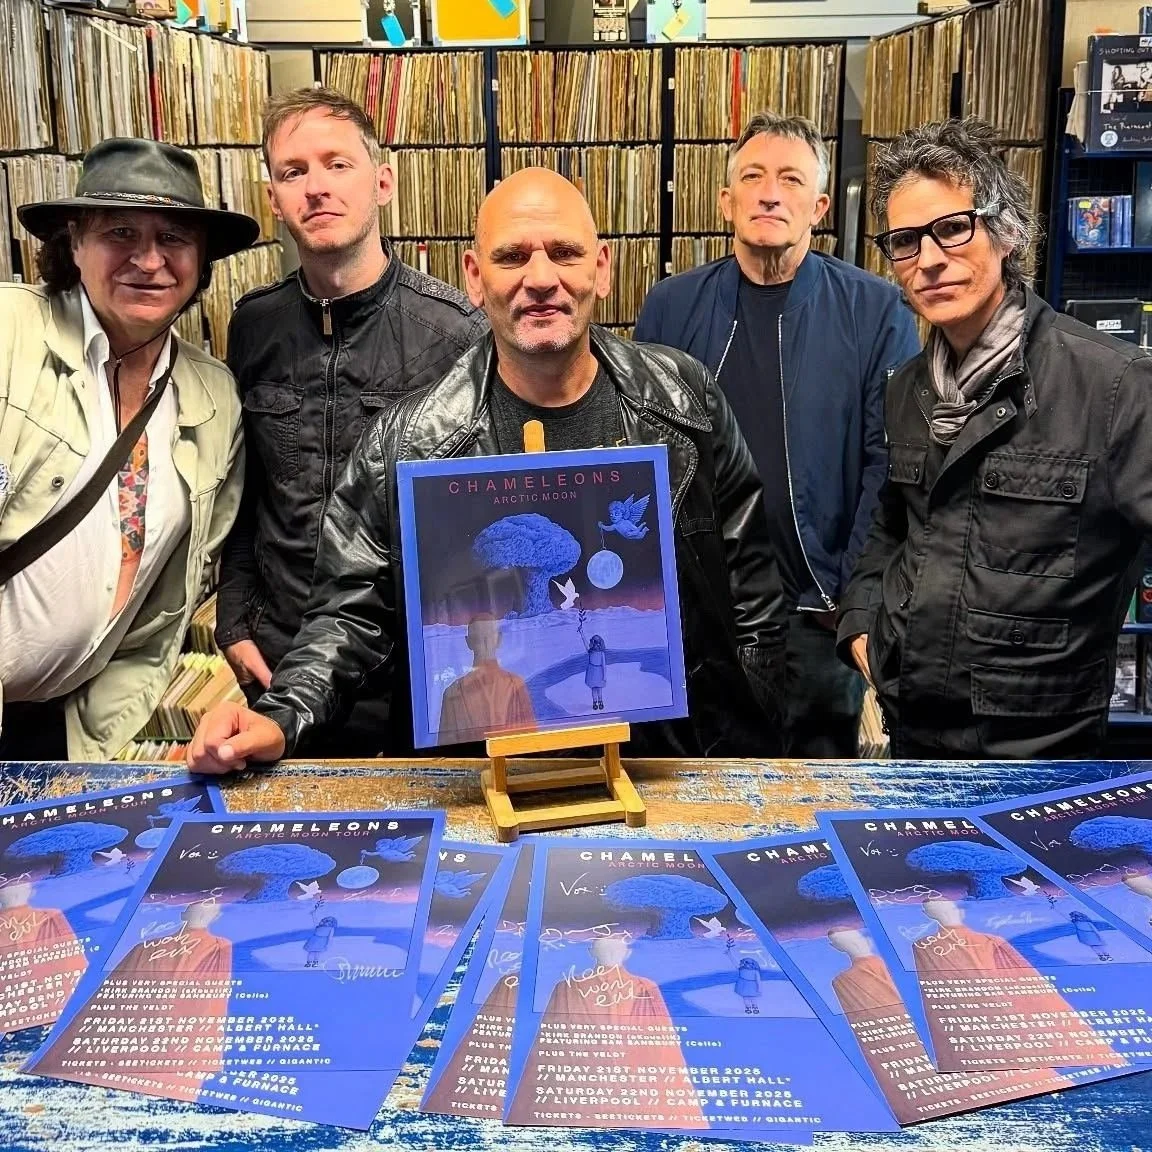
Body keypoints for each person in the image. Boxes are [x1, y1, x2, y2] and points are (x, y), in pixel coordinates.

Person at [186, 167, 787, 772]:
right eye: (513, 256)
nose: (542, 278)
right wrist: (284, 711)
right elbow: (349, 611)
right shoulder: (407, 442)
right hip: (479, 784)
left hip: (660, 774)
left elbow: (750, 588)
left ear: (601, 269)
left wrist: (747, 729)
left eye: (565, 253)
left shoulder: (684, 400)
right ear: (475, 278)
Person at [839, 116, 1152, 760]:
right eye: (905, 241)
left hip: (1043, 757)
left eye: (952, 228)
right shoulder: (907, 388)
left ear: (1004, 232)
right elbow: (891, 526)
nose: (929, 259)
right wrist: (861, 622)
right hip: (912, 740)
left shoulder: (1112, 386)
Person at [635, 112, 920, 759]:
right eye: (753, 177)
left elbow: (891, 461)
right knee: (703, 797)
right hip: (703, 622)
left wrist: (851, 598)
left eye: (790, 179)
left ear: (819, 204)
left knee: (816, 801)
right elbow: (645, 458)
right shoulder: (670, 307)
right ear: (726, 200)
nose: (770, 192)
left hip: (818, 614)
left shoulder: (875, 309)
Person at [214, 87, 487, 756]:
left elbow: (480, 520)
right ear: (273, 198)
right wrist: (233, 616)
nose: (316, 188)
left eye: (338, 164)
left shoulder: (455, 334)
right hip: (276, 668)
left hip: (412, 683)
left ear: (383, 182)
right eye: (293, 172)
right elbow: (248, 493)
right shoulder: (254, 326)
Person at [0, 138, 258, 760]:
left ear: (200, 259)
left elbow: (172, 599)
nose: (148, 261)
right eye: (120, 232)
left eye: (173, 238)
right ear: (74, 242)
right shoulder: (9, 331)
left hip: (61, 733)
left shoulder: (213, 396)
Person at [436, 614, 536, 744]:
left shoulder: (452, 692)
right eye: (480, 638)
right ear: (499, 640)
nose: (485, 642)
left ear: (468, 642)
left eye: (487, 637)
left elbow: (447, 754)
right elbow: (530, 742)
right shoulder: (516, 684)